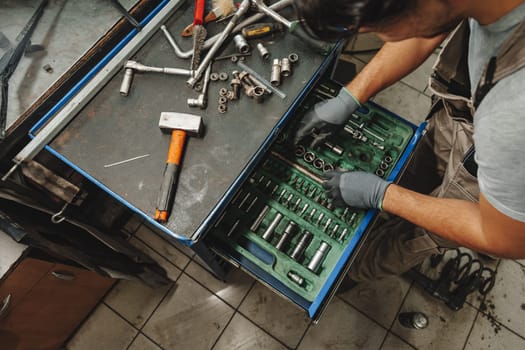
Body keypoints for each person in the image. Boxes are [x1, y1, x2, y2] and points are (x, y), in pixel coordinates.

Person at [292, 0, 525, 282]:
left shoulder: (513, 110)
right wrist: (350, 96)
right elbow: (425, 24)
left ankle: (353, 272)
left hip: (490, 175)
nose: (383, 39)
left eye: (379, 28)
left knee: (395, 247)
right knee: (416, 172)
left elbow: (505, 238)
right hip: (466, 114)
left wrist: (383, 195)